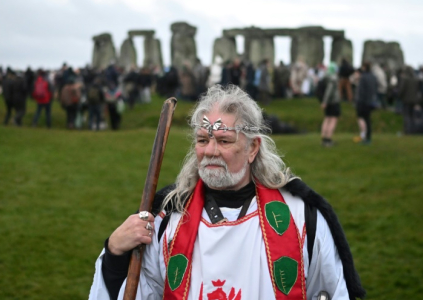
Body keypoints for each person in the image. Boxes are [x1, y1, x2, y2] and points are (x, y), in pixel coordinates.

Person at [89, 84, 365, 300]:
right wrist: (114, 253)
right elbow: (142, 291)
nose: (210, 151)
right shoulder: (166, 220)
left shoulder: (303, 219)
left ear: (252, 148)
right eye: (202, 140)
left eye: (223, 140)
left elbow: (330, 291)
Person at [353, 62, 378, 145]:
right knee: (368, 120)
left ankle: (364, 136)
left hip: (363, 101)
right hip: (371, 101)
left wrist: (358, 101)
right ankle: (368, 137)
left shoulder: (363, 77)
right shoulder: (373, 77)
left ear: (364, 67)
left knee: (361, 118)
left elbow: (361, 91)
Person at [320, 62, 341, 147]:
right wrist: (325, 101)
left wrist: (325, 101)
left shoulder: (326, 77)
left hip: (329, 102)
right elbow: (329, 91)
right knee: (333, 120)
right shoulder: (333, 78)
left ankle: (324, 138)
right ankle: (328, 139)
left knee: (327, 119)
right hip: (333, 101)